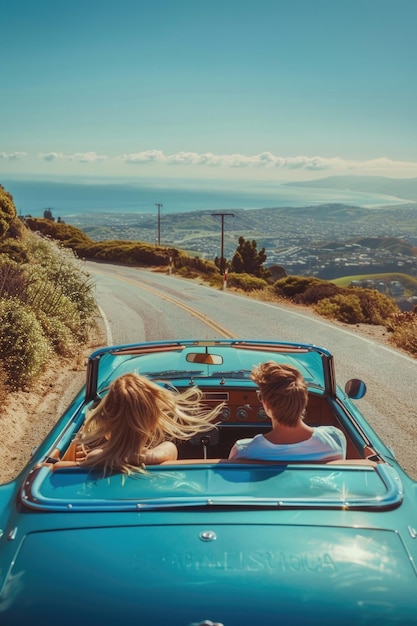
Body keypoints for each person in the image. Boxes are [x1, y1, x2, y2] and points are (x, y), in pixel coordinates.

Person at [46, 372, 224, 475]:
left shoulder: (91, 460)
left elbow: (51, 468)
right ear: (153, 421)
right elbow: (165, 451)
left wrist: (102, 455)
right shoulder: (165, 451)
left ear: (105, 420)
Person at [228, 361, 346, 461]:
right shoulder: (335, 438)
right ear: (304, 399)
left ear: (267, 405)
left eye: (261, 397)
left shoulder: (243, 451)